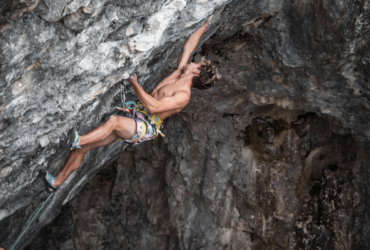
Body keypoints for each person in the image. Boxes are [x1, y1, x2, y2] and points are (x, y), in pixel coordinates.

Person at [41, 15, 219, 193]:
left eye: (196, 63)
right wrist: (204, 24)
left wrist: (135, 83)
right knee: (83, 148)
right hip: (136, 115)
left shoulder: (183, 96)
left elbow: (154, 107)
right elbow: (188, 47)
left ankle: (77, 139)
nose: (193, 61)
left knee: (113, 121)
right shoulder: (180, 73)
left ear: (196, 71)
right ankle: (55, 183)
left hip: (145, 125)